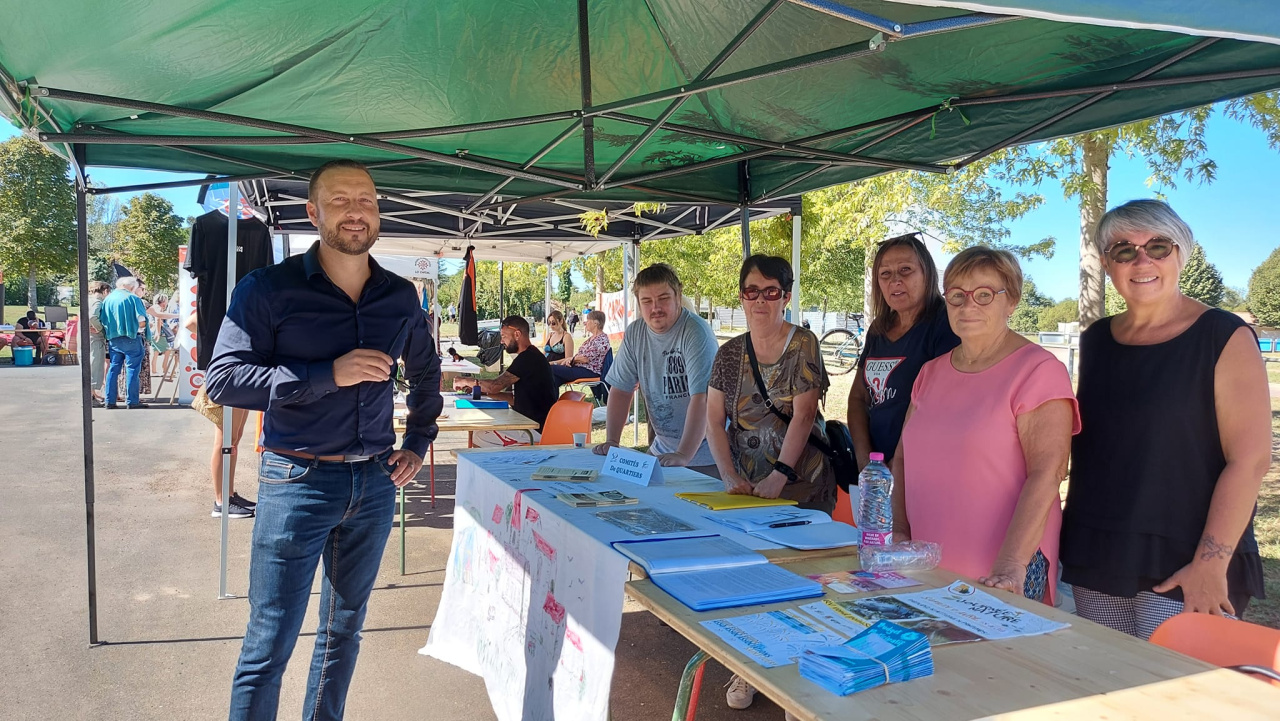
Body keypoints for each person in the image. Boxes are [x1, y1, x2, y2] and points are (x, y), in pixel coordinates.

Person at [206, 159, 443, 719]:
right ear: (313, 213)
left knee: (344, 633)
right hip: (296, 479)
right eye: (340, 200)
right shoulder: (268, 288)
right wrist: (324, 374)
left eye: (366, 198)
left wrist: (418, 440)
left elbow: (428, 371)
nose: (356, 210)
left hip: (376, 480)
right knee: (270, 640)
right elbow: (224, 378)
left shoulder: (400, 296)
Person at [1061, 200, 1269, 639]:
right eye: (1123, 250)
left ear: (1181, 254)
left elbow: (1249, 461)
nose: (1142, 260)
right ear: (1107, 264)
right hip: (1099, 554)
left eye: (1158, 247)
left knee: (1177, 699)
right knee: (1109, 690)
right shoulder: (1097, 340)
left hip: (1187, 560)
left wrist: (1211, 565)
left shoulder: (1223, 335)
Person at [893, 247, 1079, 606]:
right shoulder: (930, 372)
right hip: (926, 564)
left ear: (1012, 301)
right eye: (957, 295)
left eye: (984, 294)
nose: (968, 306)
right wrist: (899, 531)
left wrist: (1011, 565)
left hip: (1002, 572)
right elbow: (902, 459)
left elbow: (1048, 472)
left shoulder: (1039, 370)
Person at [710, 256, 834, 715]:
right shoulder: (728, 354)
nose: (760, 300)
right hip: (747, 487)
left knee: (803, 578)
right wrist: (727, 474)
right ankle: (751, 664)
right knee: (753, 576)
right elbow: (714, 420)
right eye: (751, 290)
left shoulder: (802, 342)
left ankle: (801, 675)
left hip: (801, 482)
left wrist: (780, 473)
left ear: (786, 293)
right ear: (740, 295)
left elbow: (803, 415)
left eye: (770, 291)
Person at [593, 264, 719, 474]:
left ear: (678, 295)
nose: (655, 308)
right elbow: (621, 390)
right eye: (647, 301)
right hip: (662, 450)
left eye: (663, 298)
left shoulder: (696, 333)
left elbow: (704, 399)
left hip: (706, 453)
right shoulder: (636, 332)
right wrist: (612, 440)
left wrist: (683, 455)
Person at [848, 233, 958, 470]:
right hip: (877, 468)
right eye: (885, 273)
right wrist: (864, 459)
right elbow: (858, 398)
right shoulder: (878, 329)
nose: (894, 281)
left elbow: (937, 407)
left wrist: (898, 464)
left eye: (906, 270)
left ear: (927, 274)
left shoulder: (945, 325)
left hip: (924, 466)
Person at [454, 315, 557, 446]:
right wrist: (484, 393)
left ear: (517, 334)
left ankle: (510, 462)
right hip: (531, 422)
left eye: (503, 336)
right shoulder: (531, 356)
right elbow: (514, 398)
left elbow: (495, 385)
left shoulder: (527, 359)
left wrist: (466, 381)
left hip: (535, 428)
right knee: (480, 431)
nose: (502, 341)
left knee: (479, 436)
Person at [99, 277, 149, 409]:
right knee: (132, 369)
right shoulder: (133, 299)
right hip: (132, 337)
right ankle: (132, 401)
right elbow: (142, 321)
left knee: (113, 368)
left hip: (113, 338)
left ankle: (109, 401)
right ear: (132, 286)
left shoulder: (108, 299)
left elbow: (103, 319)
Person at [550, 310, 609, 387]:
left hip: (589, 371)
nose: (585, 323)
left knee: (550, 368)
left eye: (588, 320)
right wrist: (571, 360)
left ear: (595, 323)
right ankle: (550, 399)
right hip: (579, 368)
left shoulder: (601, 340)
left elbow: (585, 359)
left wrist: (572, 360)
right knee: (554, 378)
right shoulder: (593, 338)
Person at [85, 281, 111, 405]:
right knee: (95, 364)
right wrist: (100, 328)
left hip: (87, 336)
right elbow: (92, 317)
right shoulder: (97, 302)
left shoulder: (87, 300)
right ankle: (91, 396)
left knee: (90, 363)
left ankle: (93, 394)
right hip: (95, 337)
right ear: (105, 291)